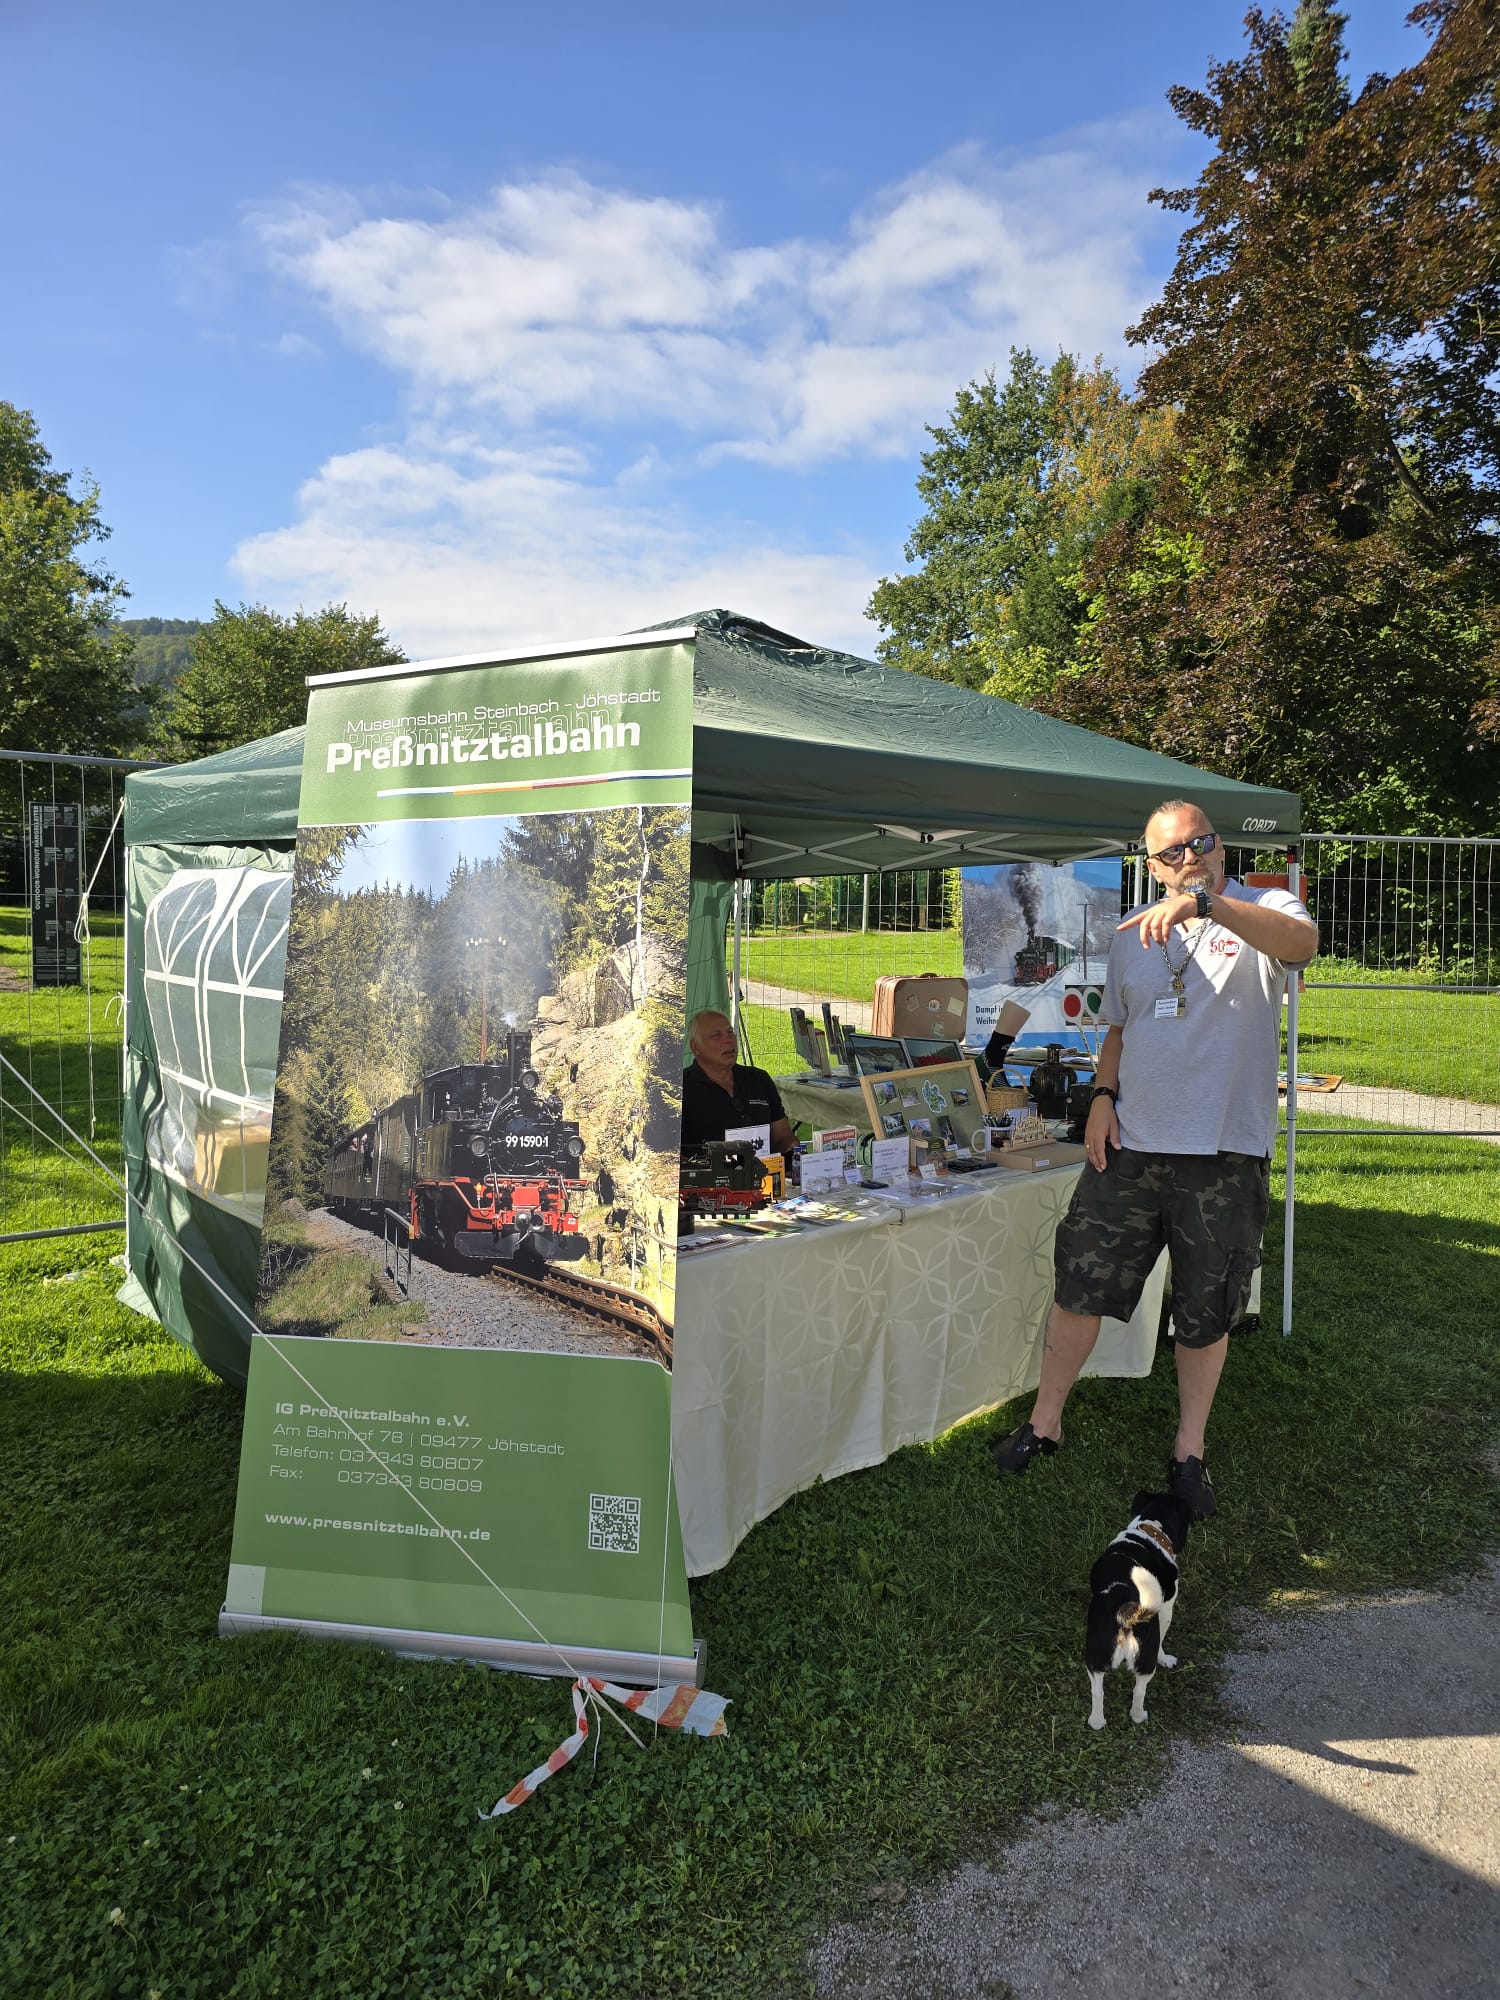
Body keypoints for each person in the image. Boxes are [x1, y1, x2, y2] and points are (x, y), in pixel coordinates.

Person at [991, 799, 1319, 1518]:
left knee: (1207, 1307)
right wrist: (1103, 1095)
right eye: (1171, 853)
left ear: (1219, 846)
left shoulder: (1263, 904)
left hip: (1224, 1152)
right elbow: (1118, 1027)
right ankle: (1045, 1422)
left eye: (1198, 843)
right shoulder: (1131, 937)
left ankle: (1189, 1450)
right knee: (1081, 1282)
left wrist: (1211, 907)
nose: (1187, 857)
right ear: (1151, 864)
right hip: (1132, 1149)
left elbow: (1301, 945)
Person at [680, 1010, 797, 1159]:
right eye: (716, 1036)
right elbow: (669, 1155)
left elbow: (783, 1136)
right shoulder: (680, 1089)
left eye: (730, 1032)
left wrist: (792, 1149)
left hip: (766, 1176)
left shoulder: (759, 1079)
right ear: (696, 1047)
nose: (728, 1040)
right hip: (708, 1180)